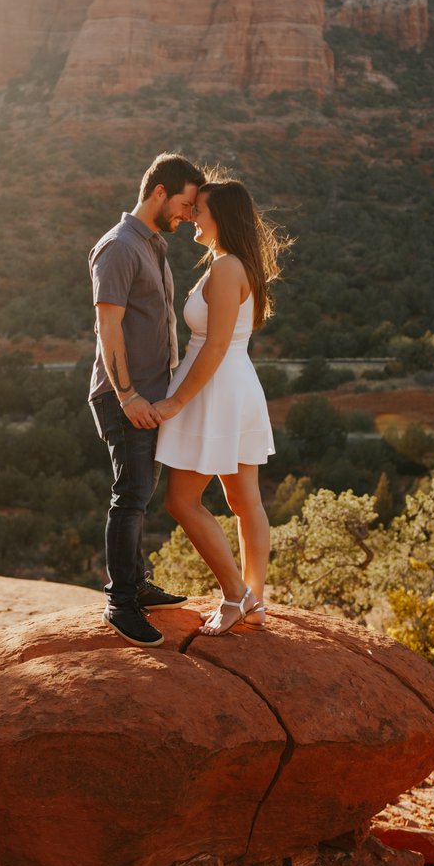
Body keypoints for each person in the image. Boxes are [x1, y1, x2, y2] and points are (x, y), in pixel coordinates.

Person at [153, 180, 286, 635]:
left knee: (181, 501)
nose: (193, 216)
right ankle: (255, 601)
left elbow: (215, 346)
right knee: (244, 500)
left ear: (222, 218)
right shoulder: (233, 263)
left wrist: (175, 401)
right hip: (234, 386)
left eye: (200, 210)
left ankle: (237, 595)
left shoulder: (227, 267)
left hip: (216, 390)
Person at [89, 152, 206, 648]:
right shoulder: (119, 246)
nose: (188, 214)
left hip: (152, 396)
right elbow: (108, 326)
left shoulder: (152, 244)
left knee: (140, 494)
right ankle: (121, 602)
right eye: (185, 204)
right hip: (126, 396)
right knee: (130, 496)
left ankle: (136, 583)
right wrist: (128, 395)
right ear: (159, 192)